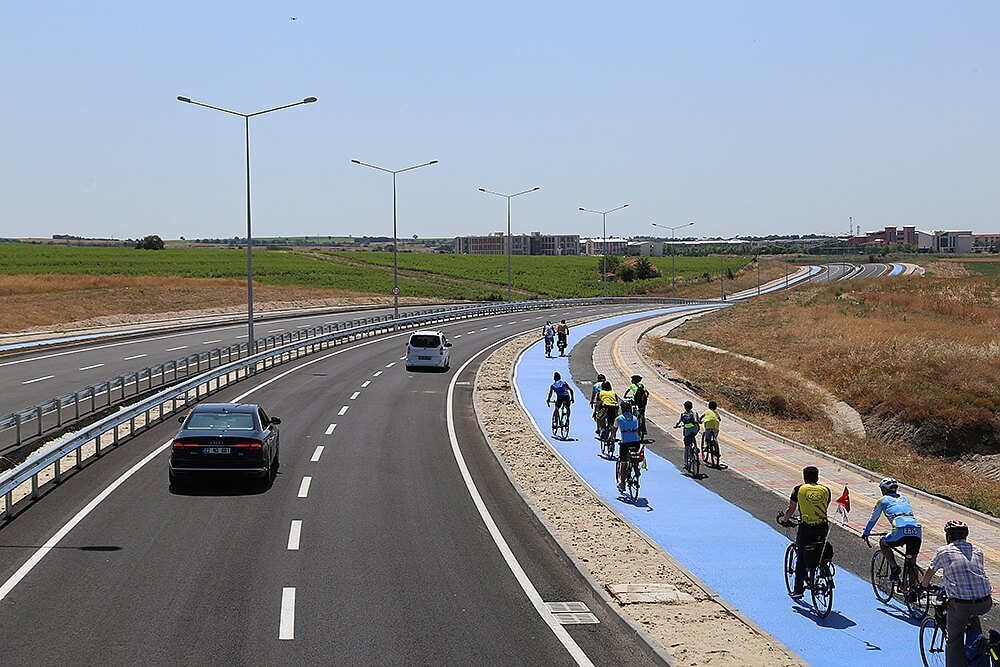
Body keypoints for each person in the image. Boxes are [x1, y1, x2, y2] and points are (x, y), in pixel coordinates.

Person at [920, 520, 994, 667]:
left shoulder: (944, 551)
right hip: (986, 602)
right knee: (972, 616)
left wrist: (923, 586)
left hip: (961, 605)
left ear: (948, 536)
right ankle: (977, 652)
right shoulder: (978, 550)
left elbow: (929, 572)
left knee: (954, 640)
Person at [780, 466, 832, 599]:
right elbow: (824, 506)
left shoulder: (798, 489)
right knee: (819, 550)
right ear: (817, 477)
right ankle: (821, 569)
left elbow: (791, 509)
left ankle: (798, 590)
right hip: (822, 526)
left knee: (801, 558)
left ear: (804, 477)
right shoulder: (826, 490)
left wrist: (784, 520)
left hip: (806, 527)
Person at [861, 478, 922, 583]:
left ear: (884, 490)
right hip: (916, 529)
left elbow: (873, 519)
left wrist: (866, 533)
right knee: (912, 562)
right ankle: (913, 590)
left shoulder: (882, 500)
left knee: (883, 542)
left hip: (899, 529)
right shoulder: (904, 498)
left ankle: (894, 567)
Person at [616, 400, 642, 492]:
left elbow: (614, 431)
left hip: (625, 443)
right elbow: (638, 431)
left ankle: (622, 483)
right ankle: (636, 467)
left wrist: (611, 438)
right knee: (634, 457)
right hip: (635, 442)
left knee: (623, 462)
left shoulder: (619, 418)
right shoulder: (635, 418)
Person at [674, 401, 701, 468]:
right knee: (693, 436)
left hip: (687, 430)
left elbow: (678, 422)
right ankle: (695, 447)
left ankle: (686, 463)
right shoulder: (694, 413)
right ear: (691, 406)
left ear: (685, 407)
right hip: (695, 429)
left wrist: (676, 426)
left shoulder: (683, 414)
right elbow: (696, 420)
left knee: (686, 447)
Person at [623, 374, 649, 440]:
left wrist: (625, 396)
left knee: (630, 406)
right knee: (642, 414)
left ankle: (632, 419)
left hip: (635, 401)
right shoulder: (642, 385)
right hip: (642, 403)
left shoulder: (632, 386)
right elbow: (647, 393)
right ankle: (644, 428)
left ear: (634, 380)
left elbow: (627, 392)